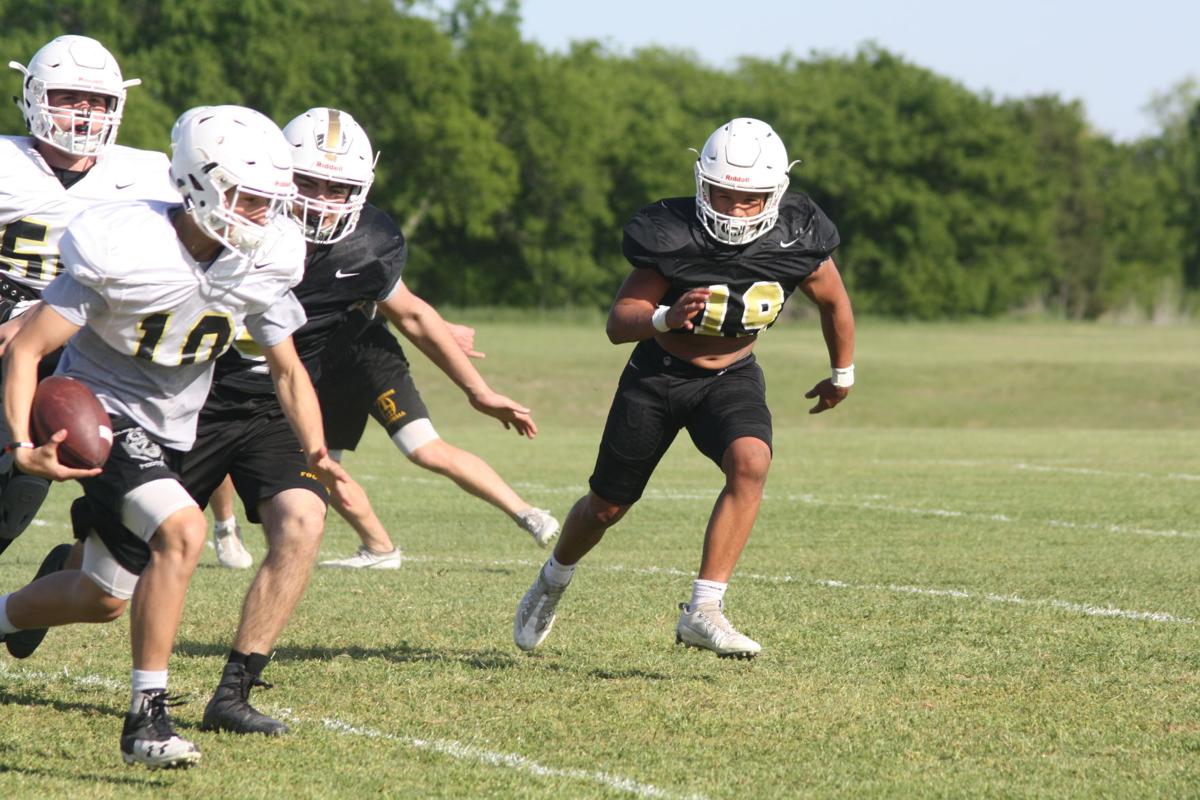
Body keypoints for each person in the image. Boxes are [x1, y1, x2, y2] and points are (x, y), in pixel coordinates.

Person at [0, 104, 345, 768]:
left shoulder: (262, 259)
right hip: (99, 413)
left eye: (269, 201)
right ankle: (146, 720)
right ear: (197, 184)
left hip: (174, 431)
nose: (262, 215)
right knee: (184, 531)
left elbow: (286, 369)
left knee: (102, 595)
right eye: (247, 197)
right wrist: (21, 445)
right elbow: (27, 348)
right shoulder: (125, 243)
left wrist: (317, 450)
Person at [185, 107, 538, 736]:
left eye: (339, 187)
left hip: (282, 403)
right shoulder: (230, 219)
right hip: (192, 396)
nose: (322, 201)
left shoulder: (370, 242)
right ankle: (47, 590)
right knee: (110, 576)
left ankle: (234, 690)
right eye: (310, 183)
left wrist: (478, 390)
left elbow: (415, 315)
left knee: (303, 521)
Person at [513, 117, 856, 659]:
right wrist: (664, 317)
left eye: (750, 198)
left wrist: (842, 374)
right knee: (606, 507)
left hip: (731, 375)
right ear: (702, 184)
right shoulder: (674, 232)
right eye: (724, 194)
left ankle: (704, 609)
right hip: (658, 377)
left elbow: (834, 301)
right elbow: (619, 320)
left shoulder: (797, 233)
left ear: (775, 193)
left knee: (751, 462)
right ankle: (553, 578)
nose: (736, 210)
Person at [0, 34, 178, 558]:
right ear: (35, 97)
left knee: (39, 475)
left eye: (97, 101)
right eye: (69, 97)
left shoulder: (150, 177)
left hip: (85, 328)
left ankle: (81, 564)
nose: (84, 112)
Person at [207, 311, 559, 572]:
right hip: (322, 369)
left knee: (424, 449)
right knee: (322, 465)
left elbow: (392, 297)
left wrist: (443, 328)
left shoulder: (343, 245)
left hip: (368, 358)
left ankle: (527, 513)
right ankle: (379, 548)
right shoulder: (286, 246)